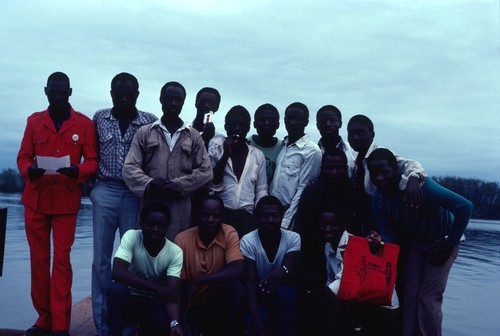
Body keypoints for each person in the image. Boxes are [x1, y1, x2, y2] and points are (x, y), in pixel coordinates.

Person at [17, 72, 98, 336]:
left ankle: (61, 325)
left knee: (61, 262)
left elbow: (93, 162)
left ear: (70, 92)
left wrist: (79, 171)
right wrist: (30, 170)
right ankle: (43, 319)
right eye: (54, 92)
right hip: (36, 201)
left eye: (63, 92)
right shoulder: (34, 122)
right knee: (38, 262)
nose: (58, 96)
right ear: (46, 91)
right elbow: (23, 157)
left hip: (66, 202)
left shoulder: (84, 124)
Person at [367, 148, 473, 336]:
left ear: (395, 170)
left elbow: (465, 207)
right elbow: (389, 235)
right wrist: (379, 241)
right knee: (409, 294)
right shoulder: (379, 200)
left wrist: (450, 243)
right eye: (375, 174)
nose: (380, 178)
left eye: (385, 172)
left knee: (427, 297)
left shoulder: (420, 186)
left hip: (444, 241)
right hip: (418, 243)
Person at [91, 72, 158, 336]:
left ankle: (130, 322)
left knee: (133, 258)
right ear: (111, 93)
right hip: (105, 189)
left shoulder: (149, 121)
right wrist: (91, 186)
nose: (124, 97)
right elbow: (91, 150)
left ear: (137, 94)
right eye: (119, 92)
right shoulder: (99, 118)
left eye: (129, 93)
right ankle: (103, 326)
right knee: (101, 261)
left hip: (135, 193)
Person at [122, 81, 213, 240]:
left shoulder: (193, 136)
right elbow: (129, 168)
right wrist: (149, 183)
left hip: (181, 207)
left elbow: (206, 171)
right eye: (169, 98)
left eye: (178, 100)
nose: (173, 103)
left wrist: (180, 185)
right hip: (150, 205)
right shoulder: (145, 133)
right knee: (147, 252)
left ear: (183, 103)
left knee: (178, 250)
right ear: (161, 99)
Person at [296, 148, 371, 292]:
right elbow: (303, 226)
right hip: (316, 252)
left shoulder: (355, 193)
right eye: (329, 168)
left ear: (346, 168)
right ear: (322, 169)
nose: (334, 172)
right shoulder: (311, 193)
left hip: (348, 255)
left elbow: (361, 226)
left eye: (338, 168)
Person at [107, 200, 183, 336]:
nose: (155, 229)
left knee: (160, 320)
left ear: (167, 227)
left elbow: (171, 293)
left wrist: (175, 323)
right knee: (116, 290)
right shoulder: (131, 236)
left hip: (152, 302)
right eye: (150, 224)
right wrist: (157, 288)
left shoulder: (175, 252)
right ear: (141, 224)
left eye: (161, 226)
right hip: (128, 299)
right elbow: (117, 272)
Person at [174, 195, 244, 336]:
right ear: (197, 216)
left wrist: (199, 281)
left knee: (235, 288)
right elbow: (179, 288)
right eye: (206, 215)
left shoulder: (228, 233)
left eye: (216, 215)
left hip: (217, 305)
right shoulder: (182, 239)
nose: (211, 220)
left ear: (222, 217)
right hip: (191, 306)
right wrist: (182, 321)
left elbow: (237, 269)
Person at [240, 196, 301, 336]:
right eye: (265, 216)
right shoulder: (248, 241)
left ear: (281, 217)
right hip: (257, 295)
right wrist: (256, 321)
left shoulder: (293, 238)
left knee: (287, 293)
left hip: (281, 295)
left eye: (275, 216)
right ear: (257, 218)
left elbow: (289, 266)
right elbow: (249, 281)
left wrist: (281, 270)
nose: (270, 220)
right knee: (253, 322)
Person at [208, 105, 268, 237]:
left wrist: (256, 217)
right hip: (220, 215)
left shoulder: (257, 155)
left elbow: (261, 190)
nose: (236, 128)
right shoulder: (215, 149)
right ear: (225, 126)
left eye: (241, 125)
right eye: (232, 124)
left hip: (246, 217)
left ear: (247, 128)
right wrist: (225, 155)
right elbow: (212, 183)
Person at [347, 114, 425, 206]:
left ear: (372, 135)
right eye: (352, 133)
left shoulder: (381, 155)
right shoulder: (356, 158)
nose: (355, 137)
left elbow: (410, 163)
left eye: (361, 133)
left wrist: (413, 178)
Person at [269, 102, 322, 230]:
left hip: (291, 217)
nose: (293, 123)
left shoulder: (311, 151)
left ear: (306, 122)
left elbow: (303, 188)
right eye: (289, 118)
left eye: (297, 119)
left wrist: (286, 221)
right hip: (273, 213)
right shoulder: (284, 146)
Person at [248, 104, 284, 186]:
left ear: (278, 125)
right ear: (254, 124)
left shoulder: (284, 148)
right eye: (262, 119)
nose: (267, 123)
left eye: (271, 120)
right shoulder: (246, 145)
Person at [315, 104, 356, 171]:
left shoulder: (353, 152)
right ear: (317, 125)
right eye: (323, 121)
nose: (328, 124)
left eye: (333, 120)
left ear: (340, 124)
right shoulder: (312, 153)